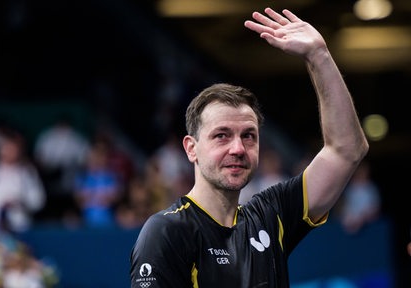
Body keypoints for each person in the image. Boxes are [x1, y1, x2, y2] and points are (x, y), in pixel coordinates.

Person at [130, 7, 369, 288]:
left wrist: (320, 56)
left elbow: (346, 150)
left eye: (249, 135)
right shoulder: (167, 231)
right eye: (222, 135)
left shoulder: (270, 215)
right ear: (191, 148)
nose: (238, 148)